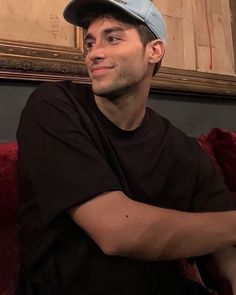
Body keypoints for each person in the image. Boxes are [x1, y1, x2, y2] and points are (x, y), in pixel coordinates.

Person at [16, 0, 236, 294]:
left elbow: (225, 247)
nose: (94, 53)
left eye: (112, 38)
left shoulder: (183, 150)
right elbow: (115, 230)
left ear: (154, 51)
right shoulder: (53, 106)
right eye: (90, 43)